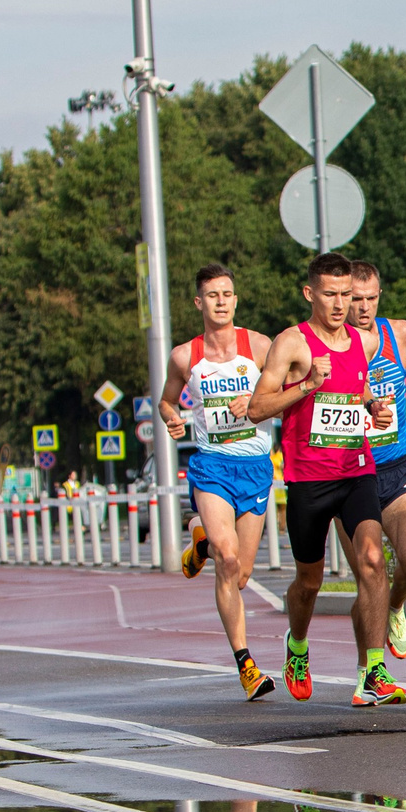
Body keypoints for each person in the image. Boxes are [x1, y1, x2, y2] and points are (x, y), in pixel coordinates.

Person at [245, 251, 403, 707]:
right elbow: (257, 408)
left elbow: (357, 389)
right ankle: (297, 646)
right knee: (309, 583)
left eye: (347, 296)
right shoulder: (291, 343)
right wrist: (308, 385)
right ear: (309, 293)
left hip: (356, 469)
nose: (340, 304)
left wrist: (371, 406)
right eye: (330, 295)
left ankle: (373, 671)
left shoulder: (364, 341)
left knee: (372, 559)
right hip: (309, 479)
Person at [156, 264, 280, 699]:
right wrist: (171, 419)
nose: (221, 301)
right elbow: (166, 401)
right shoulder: (184, 356)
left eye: (227, 293)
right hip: (211, 465)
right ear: (199, 303)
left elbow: (289, 398)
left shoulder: (261, 347)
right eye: (212, 295)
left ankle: (199, 539)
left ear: (236, 299)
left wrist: (259, 404)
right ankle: (246, 665)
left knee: (241, 574)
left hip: (256, 468)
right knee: (227, 560)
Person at [348, 261, 406, 663]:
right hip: (350, 475)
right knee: (370, 578)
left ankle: (396, 607)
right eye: (355, 299)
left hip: (395, 467)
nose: (363, 307)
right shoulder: (328, 346)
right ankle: (369, 670)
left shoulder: (398, 332)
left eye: (370, 298)